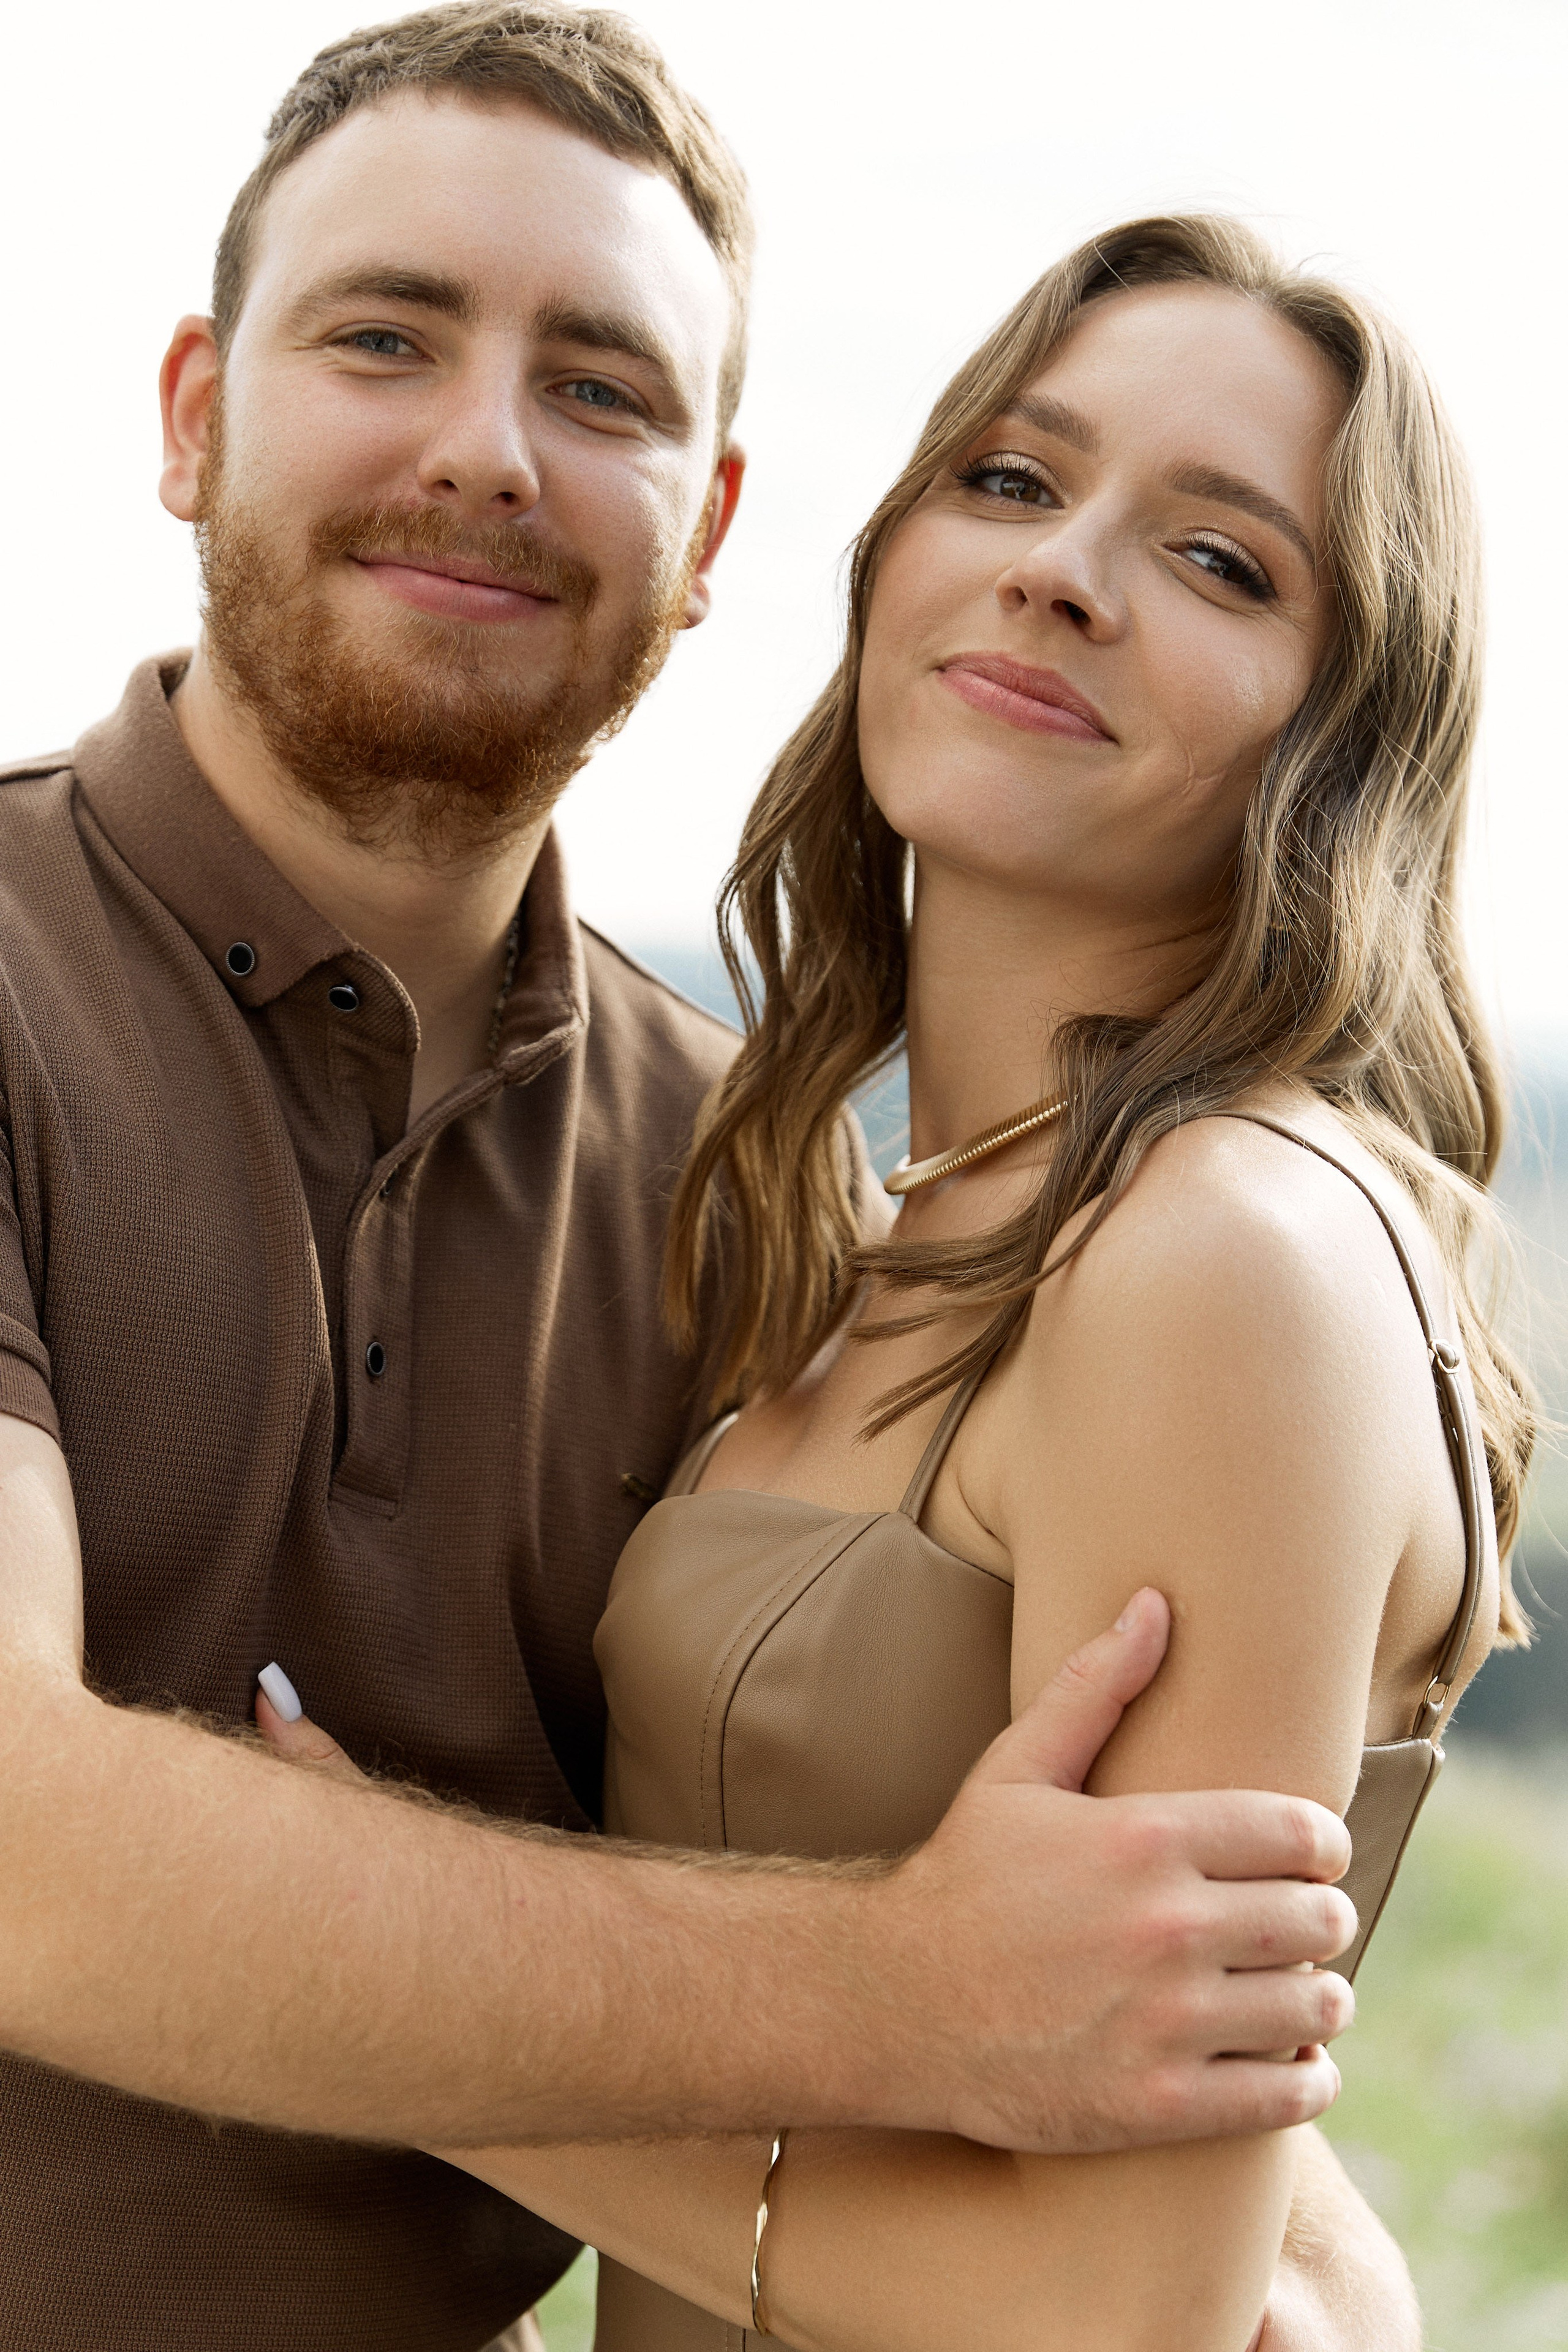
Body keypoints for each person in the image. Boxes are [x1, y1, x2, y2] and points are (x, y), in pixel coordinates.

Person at [0, 7, 1403, 2346]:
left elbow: (986, 1842)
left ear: (716, 528)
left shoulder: (745, 1189)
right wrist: (901, 1993)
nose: (489, 453)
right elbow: (16, 1848)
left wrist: (1319, 2261)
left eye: (607, 391)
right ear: (192, 415)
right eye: (385, 337)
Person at [260, 209, 1532, 2348]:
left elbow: (1124, 2302)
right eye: (1013, 480)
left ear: (1348, 732)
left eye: (1222, 560)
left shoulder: (1219, 1259)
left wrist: (382, 2008)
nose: (1062, 567)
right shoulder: (882, 1231)